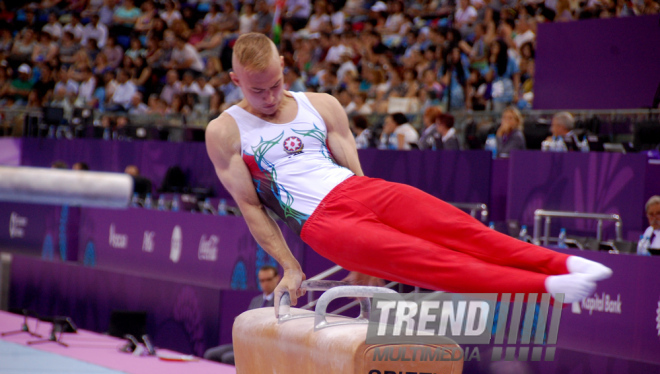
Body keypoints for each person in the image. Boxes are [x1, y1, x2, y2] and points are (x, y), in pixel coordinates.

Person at [204, 33, 611, 318]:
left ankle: (564, 263)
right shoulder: (225, 132)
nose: (271, 97)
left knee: (465, 231)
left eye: (276, 84)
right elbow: (251, 208)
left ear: (282, 65)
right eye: (258, 92)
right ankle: (545, 289)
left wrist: (371, 212)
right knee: (433, 263)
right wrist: (291, 266)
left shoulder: (322, 104)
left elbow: (354, 172)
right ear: (235, 80)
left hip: (361, 192)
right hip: (324, 224)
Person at [203, 266, 279, 364]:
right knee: (210, 354)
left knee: (228, 358)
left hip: (262, 346)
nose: (265, 284)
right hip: (245, 342)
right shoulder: (256, 300)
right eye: (262, 280)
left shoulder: (281, 301)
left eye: (268, 279)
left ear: (277, 278)